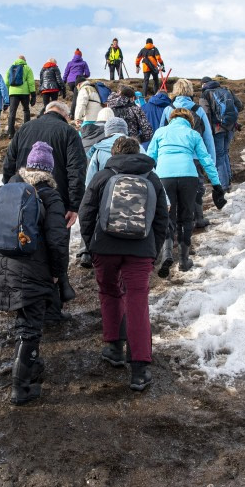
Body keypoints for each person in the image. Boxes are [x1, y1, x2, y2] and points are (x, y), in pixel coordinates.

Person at [0, 141, 70, 405]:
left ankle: (33, 364)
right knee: (30, 329)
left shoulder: (6, 192)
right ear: (49, 170)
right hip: (34, 272)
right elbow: (57, 241)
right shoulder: (49, 197)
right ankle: (21, 388)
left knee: (23, 322)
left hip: (4, 268)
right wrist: (57, 274)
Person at [79, 136, 169, 391]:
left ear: (114, 153)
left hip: (105, 248)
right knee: (137, 302)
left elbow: (86, 214)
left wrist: (92, 244)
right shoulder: (152, 178)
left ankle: (114, 348)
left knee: (109, 291)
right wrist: (153, 251)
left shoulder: (103, 176)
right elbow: (162, 219)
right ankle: (139, 371)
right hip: (140, 250)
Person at [2, 100, 87, 321]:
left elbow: (8, 163)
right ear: (65, 115)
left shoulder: (25, 128)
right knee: (54, 249)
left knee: (25, 249)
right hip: (56, 202)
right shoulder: (69, 132)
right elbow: (76, 170)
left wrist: (9, 192)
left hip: (22, 199)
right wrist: (73, 205)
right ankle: (51, 309)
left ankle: (25, 305)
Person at [146, 108, 223, 275]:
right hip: (189, 175)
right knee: (186, 217)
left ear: (171, 118)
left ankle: (166, 253)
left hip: (164, 175)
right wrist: (217, 184)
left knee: (167, 215)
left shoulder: (161, 132)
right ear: (189, 120)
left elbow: (149, 157)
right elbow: (206, 159)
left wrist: (146, 177)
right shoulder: (193, 134)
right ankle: (183, 259)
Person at [158, 79, 217, 228]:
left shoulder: (168, 109)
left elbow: (160, 133)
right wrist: (211, 162)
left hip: (170, 157)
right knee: (197, 187)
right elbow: (208, 137)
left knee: (173, 190)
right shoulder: (198, 110)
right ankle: (198, 218)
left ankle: (176, 222)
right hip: (195, 156)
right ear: (190, 90)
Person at [76, 115, 129, 269]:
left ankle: (86, 250)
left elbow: (90, 177)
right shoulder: (135, 146)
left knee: (93, 217)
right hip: (129, 193)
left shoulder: (99, 149)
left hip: (103, 193)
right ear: (125, 131)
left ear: (107, 132)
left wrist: (88, 196)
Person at [198, 77, 244, 191]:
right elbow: (240, 106)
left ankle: (224, 186)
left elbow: (206, 114)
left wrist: (207, 131)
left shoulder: (205, 94)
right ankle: (228, 180)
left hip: (217, 129)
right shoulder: (226, 90)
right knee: (225, 153)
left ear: (203, 84)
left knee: (219, 156)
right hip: (231, 127)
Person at [6, 55, 37, 137]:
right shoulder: (27, 68)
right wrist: (33, 94)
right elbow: (31, 82)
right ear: (24, 60)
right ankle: (26, 131)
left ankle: (10, 132)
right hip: (24, 93)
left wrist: (7, 92)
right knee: (26, 110)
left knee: (12, 112)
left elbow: (6, 82)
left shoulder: (10, 68)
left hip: (13, 93)